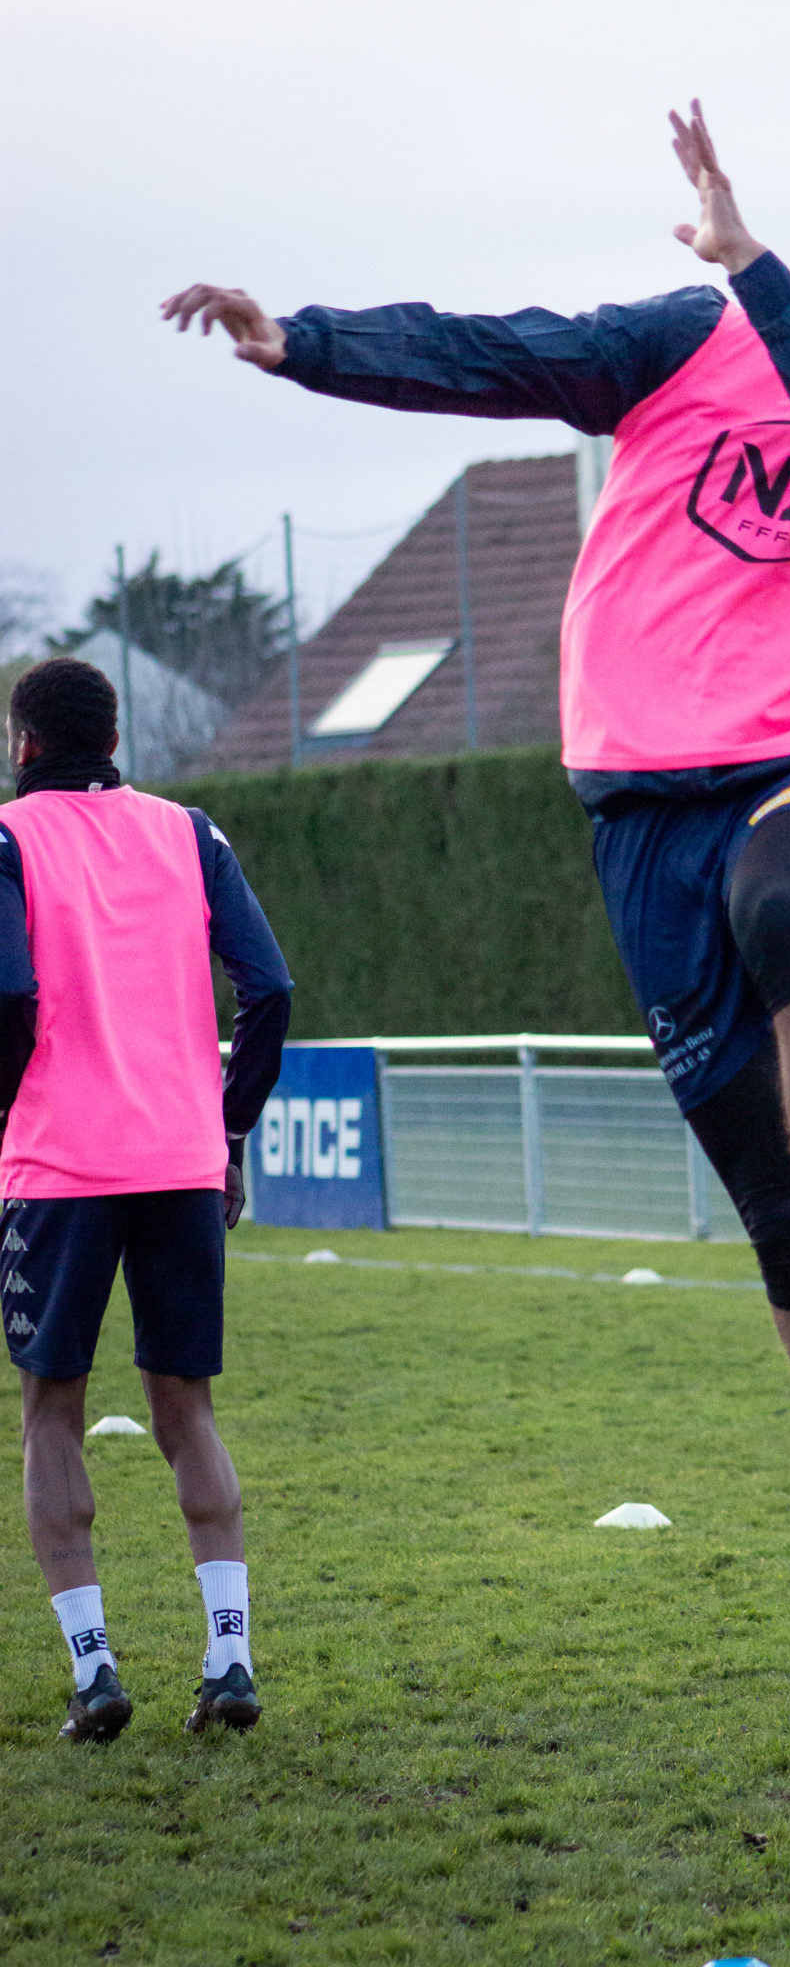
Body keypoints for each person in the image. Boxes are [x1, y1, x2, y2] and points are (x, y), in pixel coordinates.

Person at [161, 101, 790, 1739]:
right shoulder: (691, 339)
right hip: (636, 807)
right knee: (770, 1227)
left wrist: (758, 266)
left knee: (789, 922)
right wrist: (307, 343)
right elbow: (506, 352)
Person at [1, 658, 292, 1740]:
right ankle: (230, 1659)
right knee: (188, 1409)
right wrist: (228, 1128)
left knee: (52, 1411)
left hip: (58, 1169)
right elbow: (271, 987)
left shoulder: (7, 839)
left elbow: (9, 992)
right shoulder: (190, 832)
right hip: (179, 1161)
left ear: (25, 743)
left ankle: (96, 1672)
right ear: (114, 739)